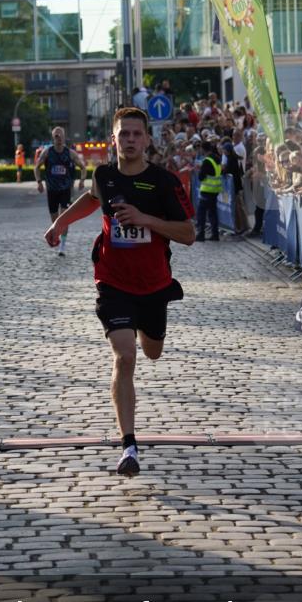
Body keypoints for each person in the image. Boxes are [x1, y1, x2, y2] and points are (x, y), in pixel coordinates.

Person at [43, 107, 195, 477]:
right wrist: (60, 223)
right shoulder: (104, 175)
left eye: (136, 134)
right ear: (113, 139)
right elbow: (92, 198)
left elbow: (188, 233)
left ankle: (147, 328)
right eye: (123, 134)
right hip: (113, 281)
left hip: (155, 284)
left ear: (146, 140)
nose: (129, 140)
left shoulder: (163, 181)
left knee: (152, 351)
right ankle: (129, 445)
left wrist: (145, 220)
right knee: (124, 357)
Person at [35, 127, 86, 256]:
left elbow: (83, 167)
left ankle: (62, 245)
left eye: (60, 136)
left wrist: (82, 181)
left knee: (63, 218)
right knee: (55, 220)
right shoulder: (47, 152)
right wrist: (39, 182)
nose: (59, 138)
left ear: (64, 137)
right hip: (52, 190)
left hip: (65, 190)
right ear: (53, 138)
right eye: (56, 136)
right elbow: (36, 167)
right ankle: (57, 236)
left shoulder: (70, 153)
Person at [195, 140, 222, 241]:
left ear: (203, 149)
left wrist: (199, 170)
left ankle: (201, 234)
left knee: (201, 212)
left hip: (207, 190)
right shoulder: (217, 158)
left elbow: (201, 177)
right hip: (215, 190)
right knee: (212, 212)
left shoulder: (207, 160)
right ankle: (215, 234)